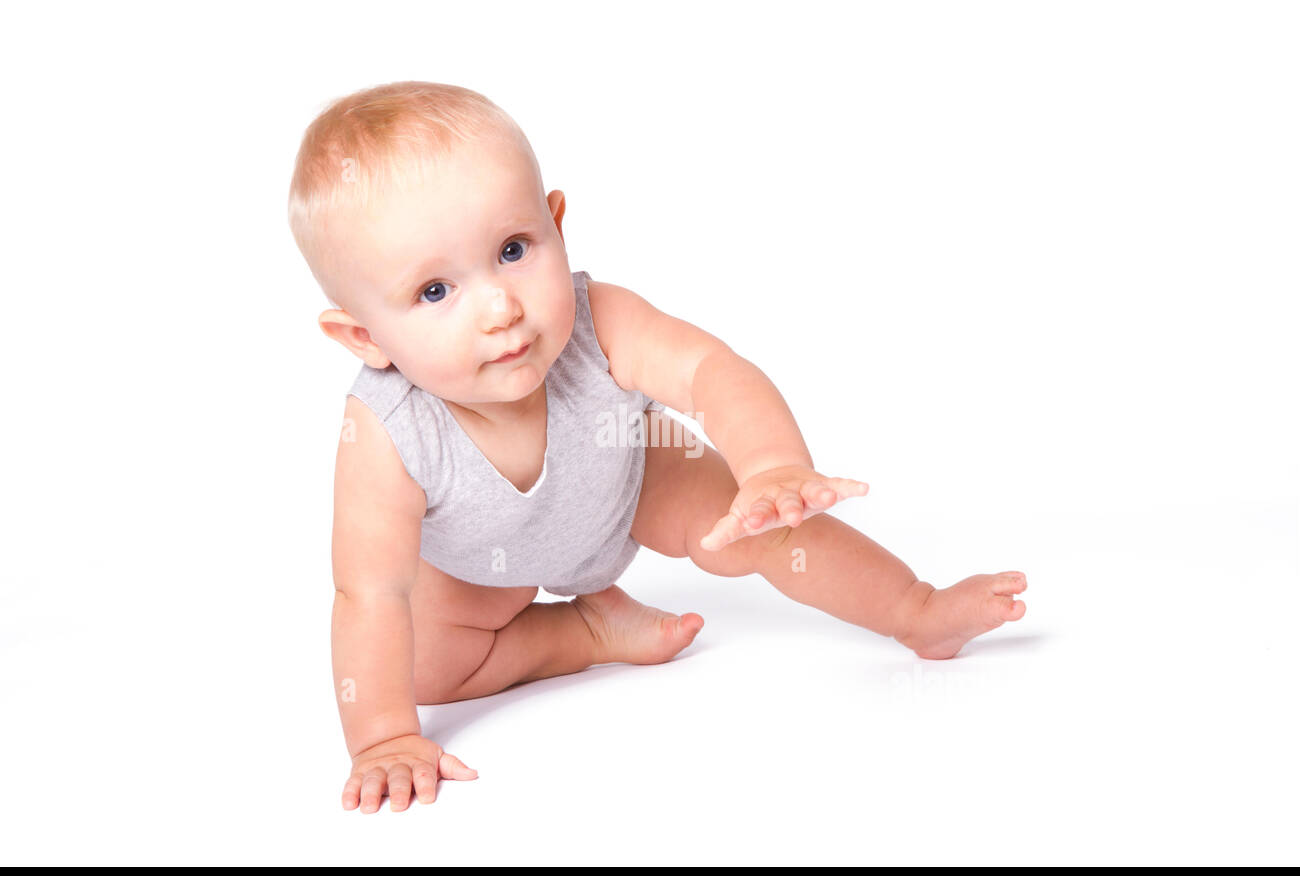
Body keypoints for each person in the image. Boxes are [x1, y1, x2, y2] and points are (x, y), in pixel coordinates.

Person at [287, 81, 1028, 813]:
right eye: (436, 292)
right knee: (422, 664)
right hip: (480, 567)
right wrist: (382, 737)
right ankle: (583, 632)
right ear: (364, 337)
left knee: (767, 532)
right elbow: (368, 593)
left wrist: (770, 467)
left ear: (556, 225)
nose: (500, 307)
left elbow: (711, 370)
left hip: (631, 480)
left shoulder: (598, 319)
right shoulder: (385, 432)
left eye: (513, 249)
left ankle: (917, 610)